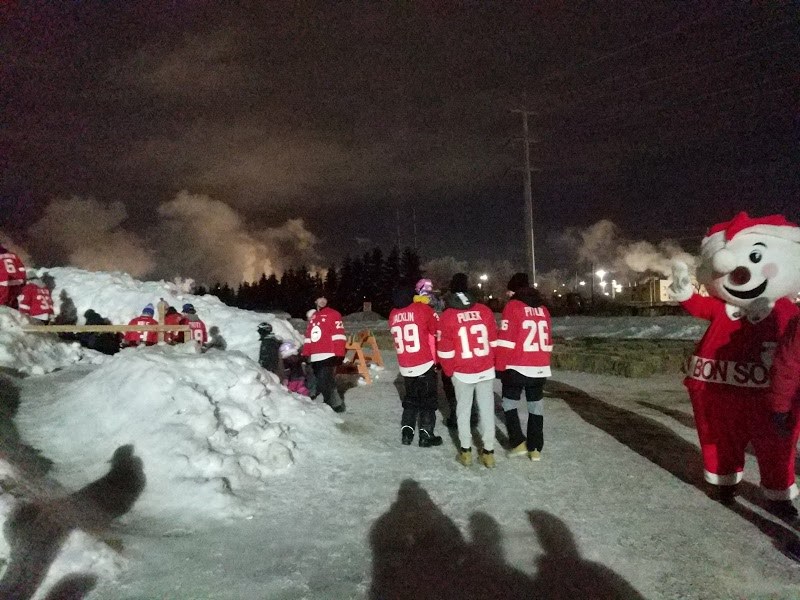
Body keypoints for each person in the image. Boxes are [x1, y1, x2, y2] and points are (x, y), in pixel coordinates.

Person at [669, 212, 800, 513]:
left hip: (769, 391)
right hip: (717, 388)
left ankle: (779, 494)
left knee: (775, 445)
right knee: (719, 437)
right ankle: (723, 481)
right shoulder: (723, 308)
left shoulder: (784, 311)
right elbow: (698, 305)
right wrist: (684, 289)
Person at [437, 283, 499, 468]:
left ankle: (466, 451)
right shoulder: (484, 311)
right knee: (487, 410)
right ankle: (488, 452)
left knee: (463, 411)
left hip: (462, 371)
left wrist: (449, 372)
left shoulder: (447, 316)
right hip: (485, 368)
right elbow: (494, 341)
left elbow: (445, 351)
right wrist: (491, 361)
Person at [495, 273, 553, 461]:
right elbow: (548, 339)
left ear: (515, 290)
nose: (507, 294)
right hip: (540, 365)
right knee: (535, 406)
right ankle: (535, 448)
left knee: (509, 403)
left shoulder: (513, 306)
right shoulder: (543, 309)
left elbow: (505, 341)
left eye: (509, 290)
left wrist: (500, 366)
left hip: (517, 365)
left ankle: (518, 441)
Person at [389, 281, 443, 448]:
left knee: (410, 399)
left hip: (405, 364)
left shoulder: (392, 314)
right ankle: (426, 435)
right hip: (423, 361)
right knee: (428, 401)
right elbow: (435, 330)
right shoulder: (422, 309)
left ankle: (407, 433)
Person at [302, 296, 346, 413]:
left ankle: (336, 405)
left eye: (325, 298)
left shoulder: (334, 314)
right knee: (321, 380)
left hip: (328, 354)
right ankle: (329, 402)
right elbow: (309, 337)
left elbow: (339, 335)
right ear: (315, 300)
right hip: (315, 355)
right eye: (319, 298)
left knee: (326, 381)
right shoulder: (313, 317)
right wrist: (306, 352)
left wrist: (339, 353)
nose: (322, 301)